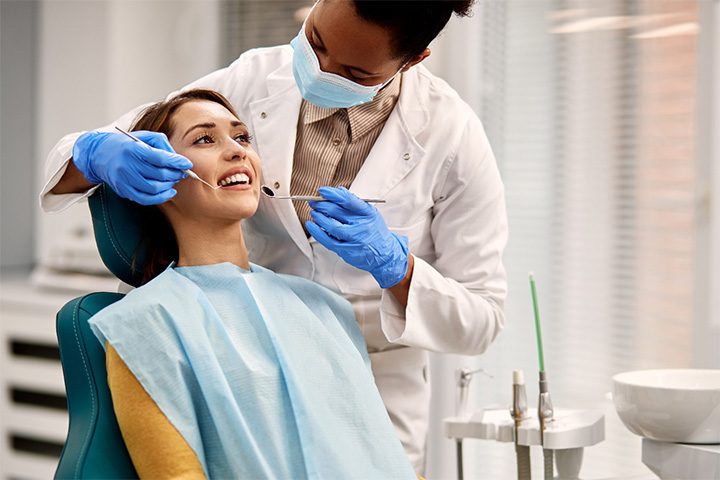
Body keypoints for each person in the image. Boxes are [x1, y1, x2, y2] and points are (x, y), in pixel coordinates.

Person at [41, 0, 508, 470]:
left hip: (366, 370)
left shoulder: (452, 134)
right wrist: (93, 154)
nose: (319, 70)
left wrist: (398, 269)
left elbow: (482, 316)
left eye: (352, 71)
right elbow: (100, 147)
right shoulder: (249, 82)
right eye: (316, 42)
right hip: (233, 355)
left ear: (414, 59)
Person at [89, 88, 416, 479]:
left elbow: (382, 455)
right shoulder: (144, 323)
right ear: (155, 176)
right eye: (205, 139)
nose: (237, 150)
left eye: (242, 137)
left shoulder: (325, 308)